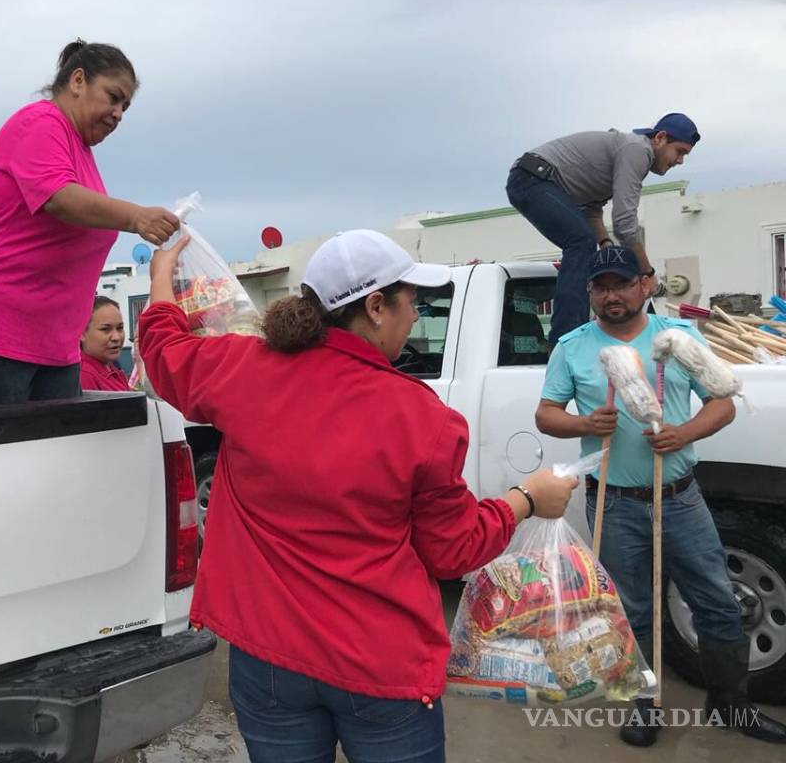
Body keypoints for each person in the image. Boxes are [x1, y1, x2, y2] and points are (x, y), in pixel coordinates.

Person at [139, 230, 577, 763]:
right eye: (411, 303)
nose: (415, 316)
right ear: (375, 307)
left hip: (267, 656)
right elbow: (452, 550)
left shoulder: (240, 370)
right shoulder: (423, 417)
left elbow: (164, 349)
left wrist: (162, 274)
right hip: (376, 665)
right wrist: (526, 498)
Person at [535, 247, 786, 746]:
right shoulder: (573, 346)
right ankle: (642, 706)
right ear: (590, 293)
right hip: (614, 501)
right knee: (630, 610)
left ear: (645, 285)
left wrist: (684, 432)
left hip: (680, 496)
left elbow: (723, 403)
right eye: (601, 286)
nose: (612, 295)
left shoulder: (679, 339)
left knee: (716, 599)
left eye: (622, 284)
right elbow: (546, 414)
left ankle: (730, 706)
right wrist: (585, 423)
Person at [0, 40, 179, 406]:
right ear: (78, 80)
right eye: (113, 97)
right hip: (7, 320)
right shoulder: (40, 124)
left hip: (55, 334)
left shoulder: (78, 147)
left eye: (125, 107)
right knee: (14, 449)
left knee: (57, 449)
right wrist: (136, 217)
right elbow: (58, 198)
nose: (118, 113)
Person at [506, 113, 698, 347]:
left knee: (586, 244)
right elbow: (625, 222)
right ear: (660, 138)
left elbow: (591, 209)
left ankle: (580, 333)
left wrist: (605, 244)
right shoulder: (638, 150)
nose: (680, 161)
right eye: (680, 151)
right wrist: (646, 272)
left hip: (537, 179)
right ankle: (566, 341)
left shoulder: (626, 154)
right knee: (580, 242)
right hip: (531, 179)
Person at [79, 295, 130, 392]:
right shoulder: (84, 376)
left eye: (120, 328)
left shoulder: (112, 370)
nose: (116, 337)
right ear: (82, 333)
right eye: (105, 329)